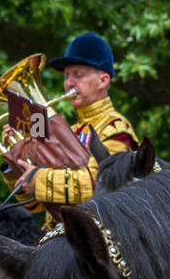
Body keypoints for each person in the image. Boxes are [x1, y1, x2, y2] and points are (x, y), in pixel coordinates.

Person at [7, 32, 139, 210]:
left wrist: (40, 181)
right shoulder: (71, 130)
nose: (69, 82)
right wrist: (16, 159)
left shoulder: (115, 127)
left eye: (78, 75)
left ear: (102, 81)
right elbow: (35, 207)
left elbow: (101, 184)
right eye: (66, 76)